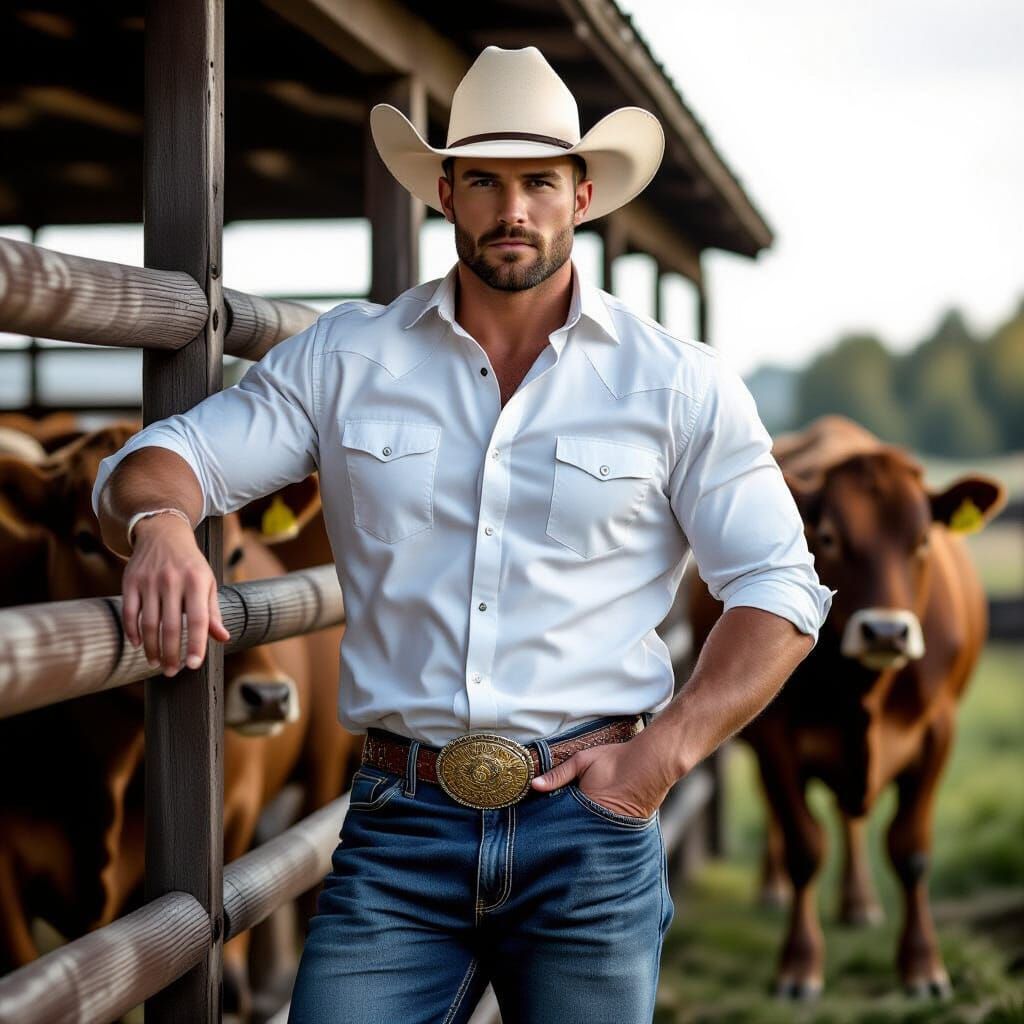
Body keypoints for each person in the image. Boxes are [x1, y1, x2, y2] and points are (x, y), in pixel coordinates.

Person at [92, 45, 834, 1024]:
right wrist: (160, 524)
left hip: (592, 820)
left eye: (537, 182)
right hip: (401, 824)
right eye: (483, 179)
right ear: (444, 192)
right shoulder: (350, 356)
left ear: (582, 193)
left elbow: (780, 589)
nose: (511, 208)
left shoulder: (675, 382)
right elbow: (161, 456)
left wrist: (659, 761)